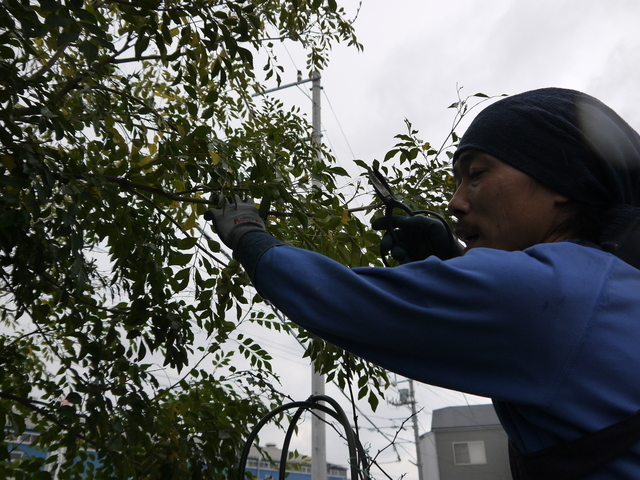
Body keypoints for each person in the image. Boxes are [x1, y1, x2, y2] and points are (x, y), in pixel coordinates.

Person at [205, 88, 640, 479]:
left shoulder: (550, 290)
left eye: (477, 174)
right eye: (456, 181)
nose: (455, 202)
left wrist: (251, 238)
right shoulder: (607, 280)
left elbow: (348, 302)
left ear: (559, 179)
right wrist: (452, 261)